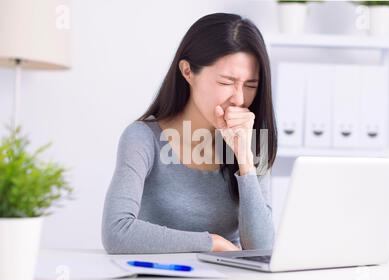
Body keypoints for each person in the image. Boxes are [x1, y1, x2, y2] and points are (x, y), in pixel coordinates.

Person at [101, 12, 277, 254]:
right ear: (187, 72)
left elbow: (262, 249)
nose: (239, 98)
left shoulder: (252, 141)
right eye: (227, 82)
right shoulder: (142, 138)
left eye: (250, 85)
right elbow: (116, 232)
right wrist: (211, 243)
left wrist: (244, 159)